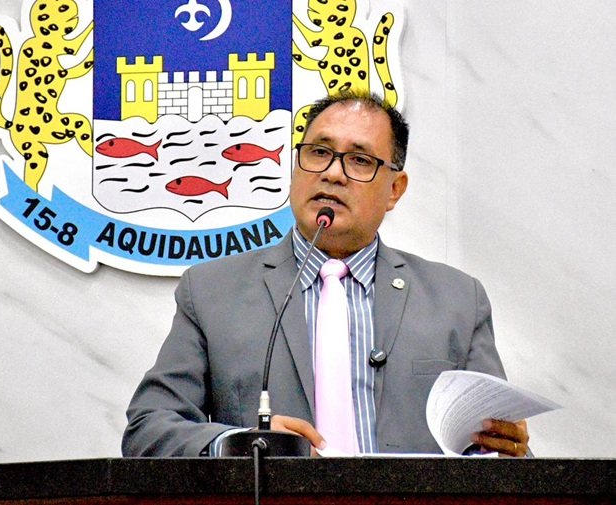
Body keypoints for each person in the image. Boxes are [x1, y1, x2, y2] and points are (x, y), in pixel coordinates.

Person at [122, 91, 530, 457]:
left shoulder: (457, 300)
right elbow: (148, 428)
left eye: (359, 160)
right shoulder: (211, 291)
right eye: (319, 152)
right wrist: (242, 444)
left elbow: (504, 453)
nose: (333, 173)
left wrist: (509, 450)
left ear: (395, 189)